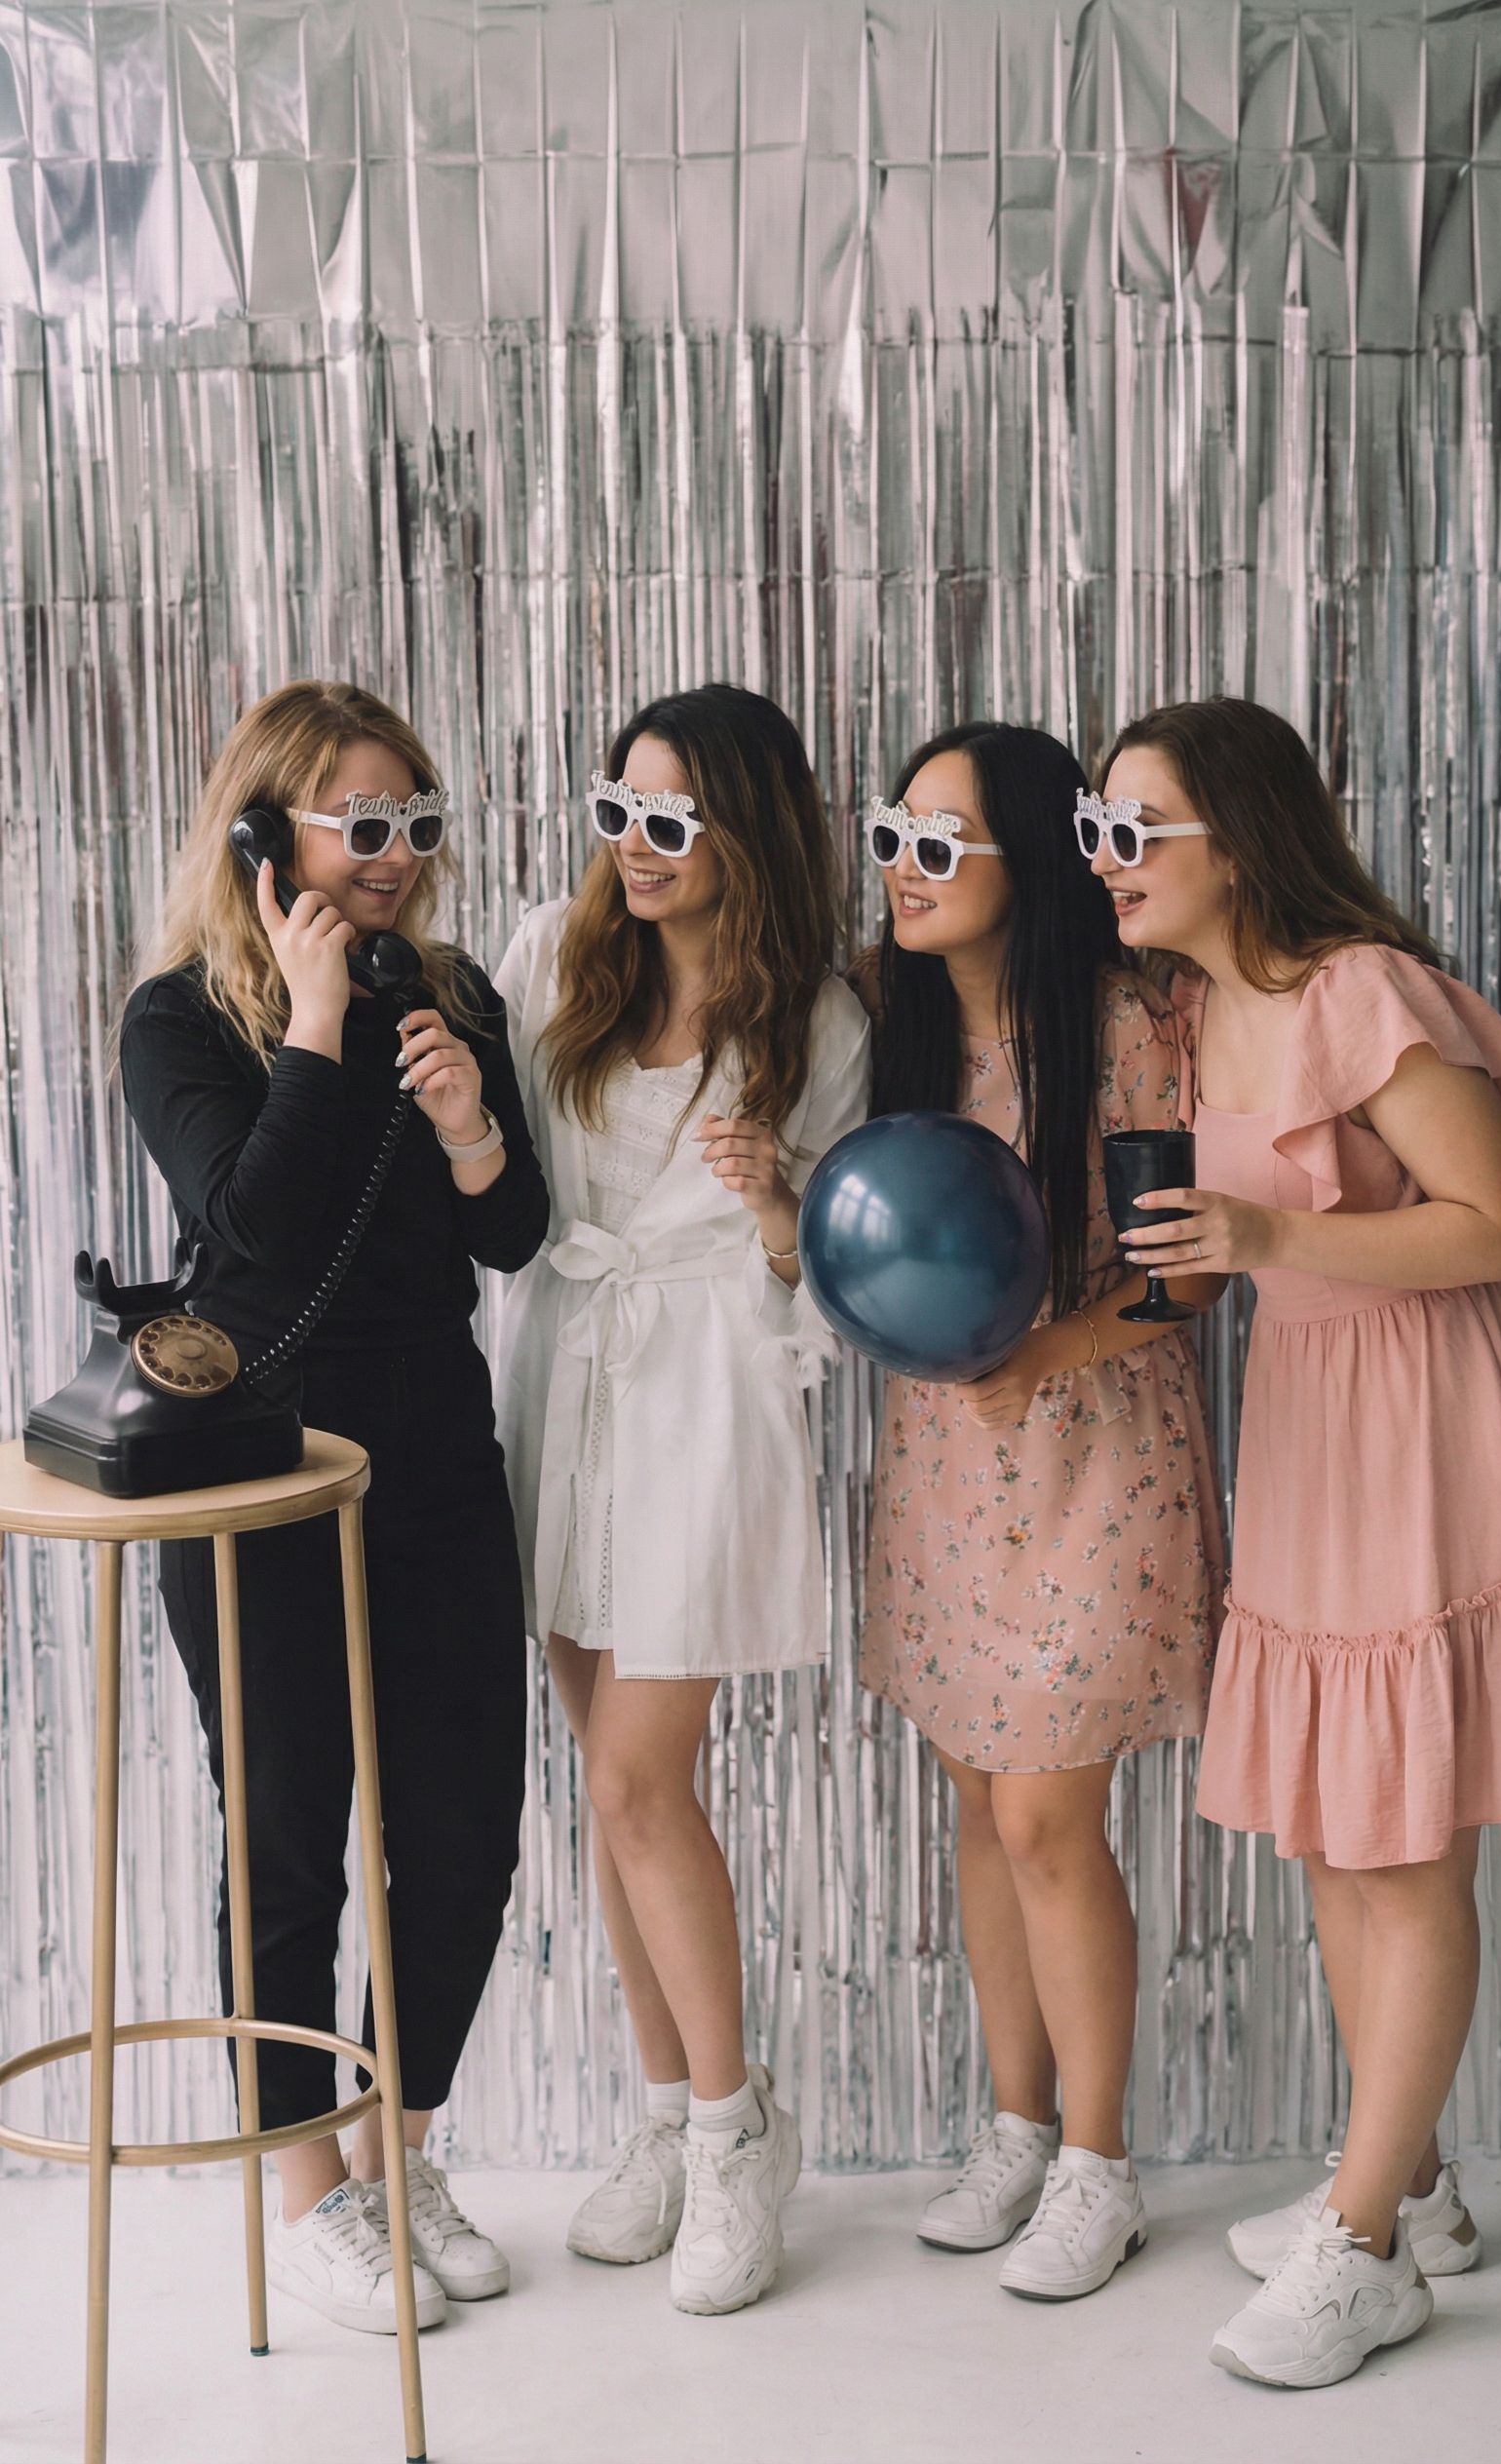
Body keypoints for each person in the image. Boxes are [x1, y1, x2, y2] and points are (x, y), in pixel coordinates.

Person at [1088, 693, 1501, 2387]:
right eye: (1096, 834)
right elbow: (1249, 1248)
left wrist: (1266, 1225)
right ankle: (1401, 2187)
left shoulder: (1361, 994)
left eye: (1137, 831)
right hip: (1321, 1413)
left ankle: (1359, 2246)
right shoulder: (1200, 1013)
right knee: (1343, 1823)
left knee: (1405, 1843)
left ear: (1238, 842)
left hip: (1431, 1412)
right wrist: (1196, 1258)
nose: (1107, 861)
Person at [121, 679, 549, 2334]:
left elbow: (511, 1245)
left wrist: (466, 1131)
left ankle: (400, 2149)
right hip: (262, 1471)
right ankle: (306, 2188)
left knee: (460, 1832)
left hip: (436, 1453)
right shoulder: (183, 1019)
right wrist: (310, 1025)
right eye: (360, 823)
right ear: (266, 832)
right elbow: (247, 1250)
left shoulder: (452, 999)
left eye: (415, 825)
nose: (393, 858)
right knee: (290, 1833)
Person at [492, 683, 869, 2314]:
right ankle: (661, 2116)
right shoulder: (549, 962)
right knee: (606, 1780)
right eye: (617, 811)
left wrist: (782, 1206)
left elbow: (838, 1286)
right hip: (568, 1368)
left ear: (747, 835)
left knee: (646, 1776)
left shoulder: (825, 1026)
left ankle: (733, 2130)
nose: (634, 850)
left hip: (707, 1399)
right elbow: (500, 1182)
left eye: (671, 820)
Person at [856, 722, 1227, 2300]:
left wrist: (1046, 1355)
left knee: (1044, 1815)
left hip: (1093, 1451)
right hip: (945, 1464)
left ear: (1028, 865)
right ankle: (1013, 2126)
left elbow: (1187, 1273)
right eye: (894, 834)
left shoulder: (1132, 1023)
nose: (902, 868)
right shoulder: (893, 1026)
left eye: (941, 845)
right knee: (974, 1803)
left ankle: (1099, 2159)